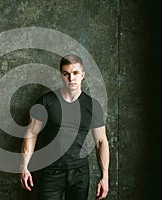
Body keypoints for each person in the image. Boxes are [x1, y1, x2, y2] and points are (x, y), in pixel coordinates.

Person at [20, 54, 109, 200]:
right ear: (61, 75)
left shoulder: (92, 106)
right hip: (51, 171)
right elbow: (31, 133)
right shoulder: (46, 101)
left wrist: (105, 177)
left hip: (79, 172)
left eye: (75, 73)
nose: (71, 78)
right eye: (66, 74)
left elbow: (101, 141)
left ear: (82, 75)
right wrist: (24, 166)